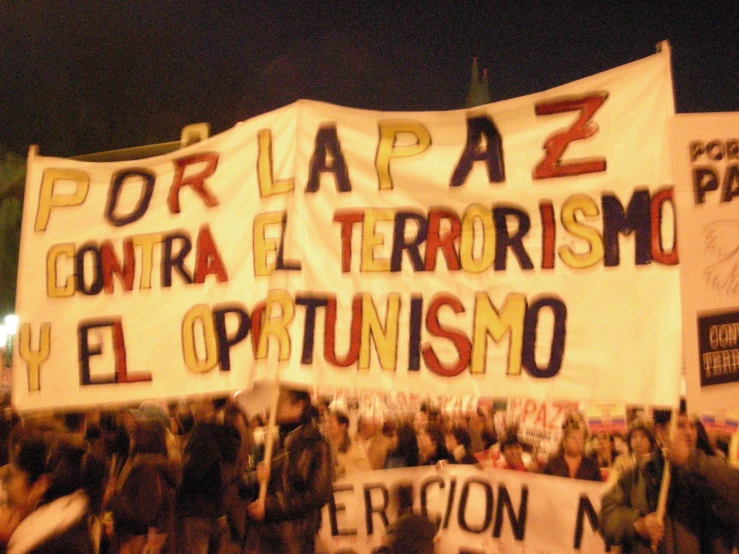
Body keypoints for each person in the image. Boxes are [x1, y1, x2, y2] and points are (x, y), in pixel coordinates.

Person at [600, 413, 739, 554]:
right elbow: (607, 518)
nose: (689, 432)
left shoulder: (711, 469)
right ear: (660, 432)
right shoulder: (639, 474)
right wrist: (637, 524)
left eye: (692, 426)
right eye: (680, 425)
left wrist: (690, 461)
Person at [240, 387, 333, 554]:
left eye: (279, 401)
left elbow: (318, 495)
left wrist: (269, 505)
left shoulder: (316, 445)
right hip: (265, 536)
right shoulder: (269, 442)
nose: (273, 406)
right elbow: (243, 479)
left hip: (296, 537)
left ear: (298, 406)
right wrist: (256, 478)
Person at [2, 432, 105, 553]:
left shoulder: (54, 545)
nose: (6, 485)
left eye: (13, 476)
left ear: (40, 484)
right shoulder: (66, 525)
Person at [108, 420, 181, 554]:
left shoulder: (146, 471)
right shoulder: (157, 468)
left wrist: (114, 499)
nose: (130, 442)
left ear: (143, 441)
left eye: (133, 438)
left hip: (138, 542)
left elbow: (143, 514)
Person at [540, 416, 601, 481]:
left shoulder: (591, 465)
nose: (578, 442)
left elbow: (599, 488)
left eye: (580, 439)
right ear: (564, 442)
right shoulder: (552, 463)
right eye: (574, 438)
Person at [606, 418, 655, 487]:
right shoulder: (621, 461)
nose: (638, 440)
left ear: (650, 441)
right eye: (634, 436)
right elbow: (611, 485)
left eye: (643, 436)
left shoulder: (656, 462)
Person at [325, 410, 371, 478]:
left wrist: (344, 469)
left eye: (330, 422)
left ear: (342, 426)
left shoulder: (354, 448)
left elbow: (366, 470)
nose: (326, 425)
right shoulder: (323, 447)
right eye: (326, 422)